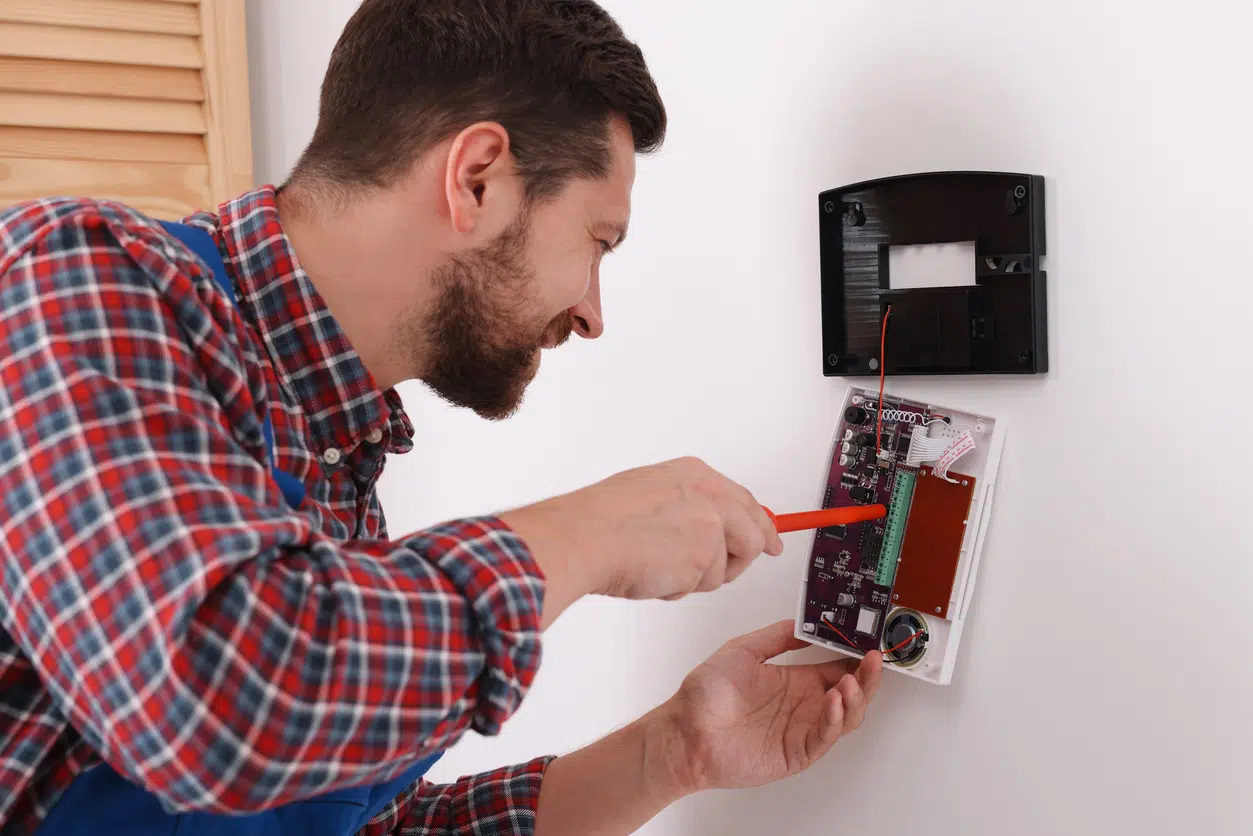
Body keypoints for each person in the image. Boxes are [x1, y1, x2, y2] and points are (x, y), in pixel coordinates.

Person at [0, 0, 882, 833]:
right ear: (477, 177)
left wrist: (671, 753)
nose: (592, 313)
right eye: (596, 242)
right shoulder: (73, 284)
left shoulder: (337, 470)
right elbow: (220, 702)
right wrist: (594, 532)